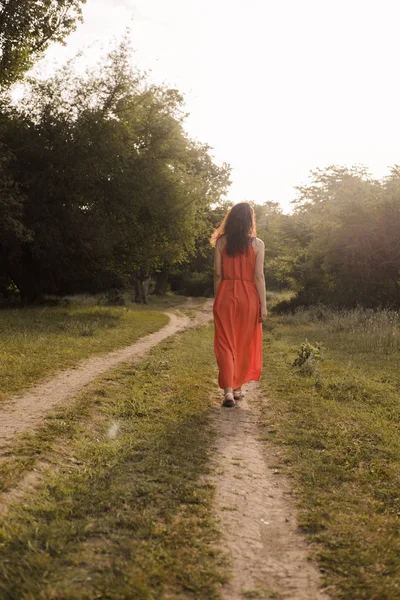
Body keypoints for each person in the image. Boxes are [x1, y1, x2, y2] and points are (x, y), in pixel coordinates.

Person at [211, 202, 267, 407]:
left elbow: (218, 274)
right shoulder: (258, 244)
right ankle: (238, 388)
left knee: (226, 343)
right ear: (250, 220)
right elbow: (259, 277)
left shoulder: (221, 242)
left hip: (226, 294)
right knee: (244, 343)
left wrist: (218, 298)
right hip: (249, 298)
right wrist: (264, 306)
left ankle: (227, 391)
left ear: (231, 219)